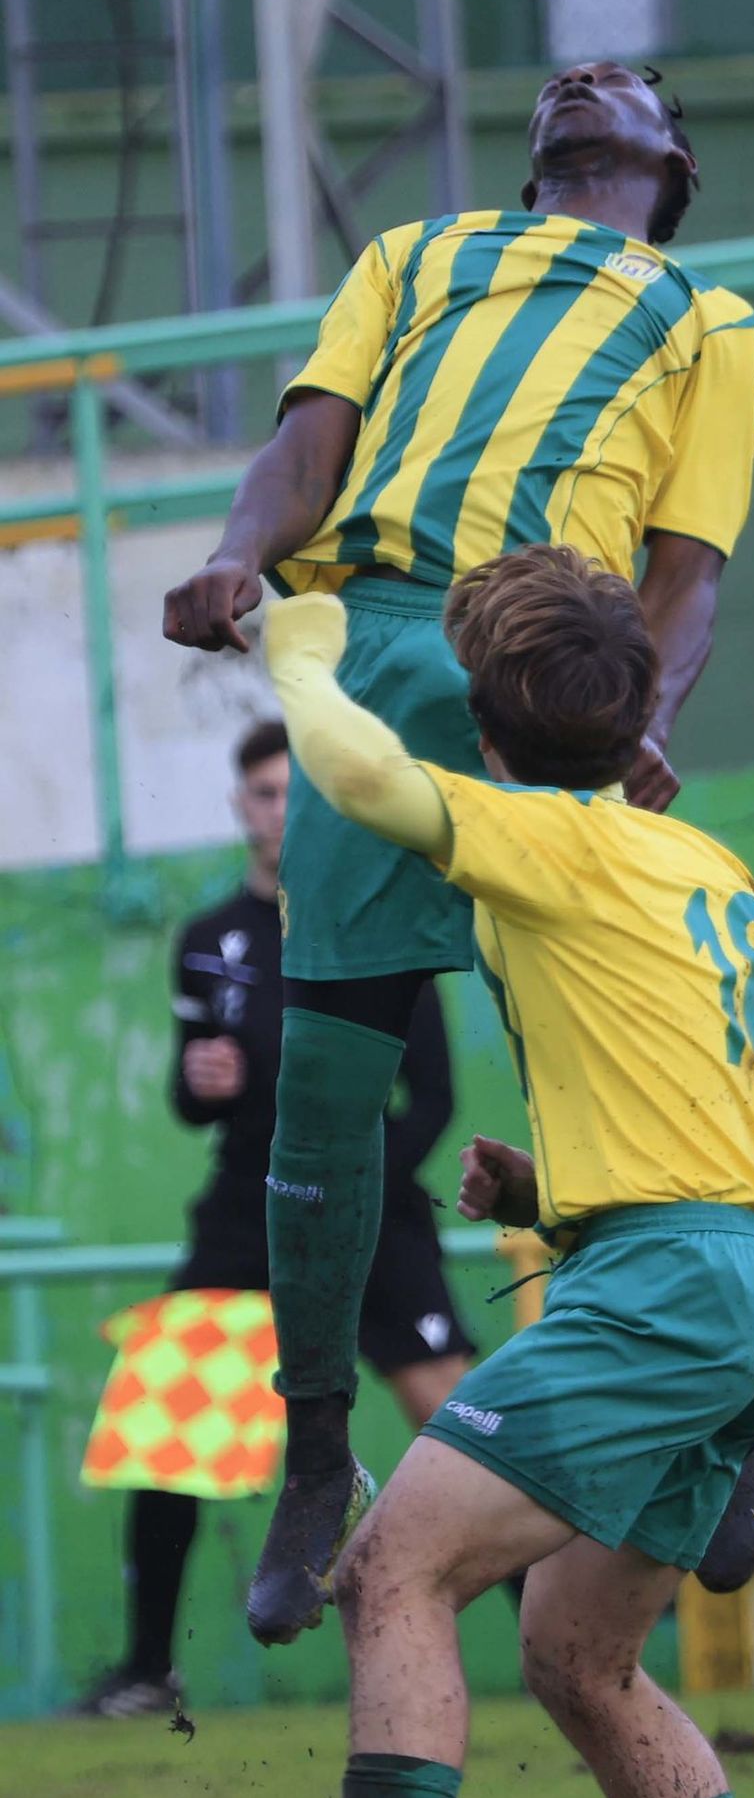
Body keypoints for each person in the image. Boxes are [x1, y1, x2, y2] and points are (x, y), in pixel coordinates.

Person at [161, 61, 754, 1644]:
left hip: (550, 657)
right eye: (575, 80)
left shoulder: (707, 318)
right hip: (376, 633)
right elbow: (308, 452)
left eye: (629, 82)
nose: (585, 77)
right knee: (323, 1078)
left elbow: (689, 569)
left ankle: (720, 1421)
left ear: (671, 160)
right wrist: (236, 552)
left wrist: (646, 709)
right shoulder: (414, 254)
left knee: (638, 1056)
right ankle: (316, 1454)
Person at [261, 543, 754, 1798]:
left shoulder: (545, 836)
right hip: (750, 1274)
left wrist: (302, 653)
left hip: (660, 1288)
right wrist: (552, 1198)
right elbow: (735, 1112)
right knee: (578, 1660)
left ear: (481, 724)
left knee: (390, 1572)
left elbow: (362, 778)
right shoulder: (708, 863)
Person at [75, 720, 473, 1718]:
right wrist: (199, 1081)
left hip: (370, 1208)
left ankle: (559, 1634)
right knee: (168, 1426)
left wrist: (353, 1185)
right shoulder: (208, 940)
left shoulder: (377, 925)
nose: (280, 812)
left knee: (461, 1418)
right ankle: (146, 1669)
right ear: (240, 807)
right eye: (263, 793)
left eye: (298, 793)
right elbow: (192, 1095)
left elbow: (431, 1098)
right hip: (244, 1215)